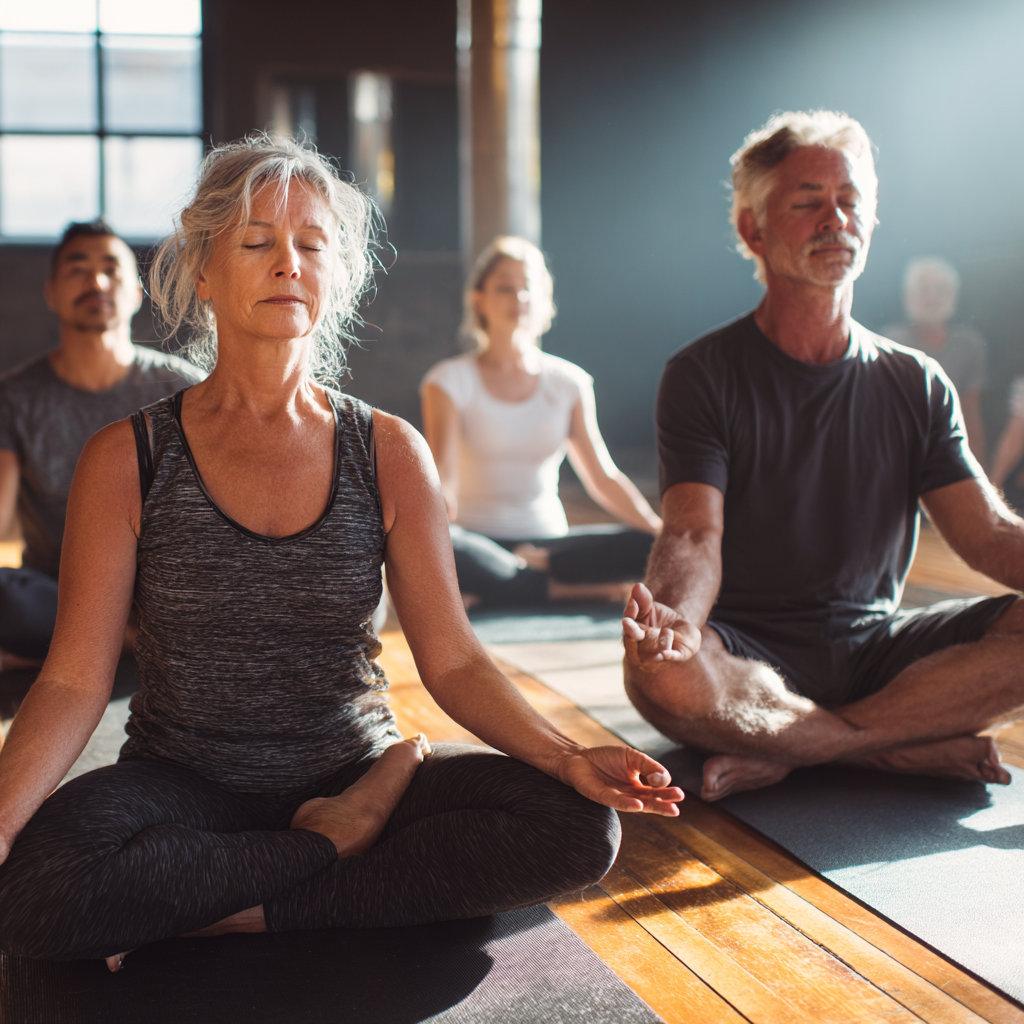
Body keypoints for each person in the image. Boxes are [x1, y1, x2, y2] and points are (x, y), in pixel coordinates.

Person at [0, 137, 683, 969]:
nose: (287, 262)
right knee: (35, 884)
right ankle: (332, 851)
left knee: (578, 827)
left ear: (339, 274)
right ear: (204, 272)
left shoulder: (388, 450)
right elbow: (74, 679)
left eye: (312, 245)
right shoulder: (128, 456)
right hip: (185, 787)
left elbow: (455, 660)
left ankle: (237, 905)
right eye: (256, 242)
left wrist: (570, 758)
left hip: (352, 762)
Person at [622, 110, 1024, 802]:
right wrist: (680, 624)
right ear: (753, 229)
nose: (835, 220)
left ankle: (811, 747)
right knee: (657, 676)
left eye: (850, 203)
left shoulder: (917, 381)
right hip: (745, 652)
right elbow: (692, 531)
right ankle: (885, 745)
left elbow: (984, 535)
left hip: (880, 652)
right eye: (809, 203)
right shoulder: (703, 372)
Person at [0, 220, 202, 673]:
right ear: (51, 293)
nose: (95, 281)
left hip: (167, 592)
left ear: (134, 293)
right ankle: (132, 643)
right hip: (58, 597)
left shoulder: (186, 388)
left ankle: (82, 648)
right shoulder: (14, 396)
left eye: (111, 269)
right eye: (78, 269)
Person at [421, 237, 662, 608]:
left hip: (550, 543)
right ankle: (571, 590)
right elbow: (444, 479)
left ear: (545, 300)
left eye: (528, 287)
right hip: (476, 540)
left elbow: (602, 477)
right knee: (436, 548)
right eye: (505, 287)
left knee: (649, 544)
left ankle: (510, 583)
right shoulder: (448, 381)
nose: (518, 298)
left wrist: (657, 529)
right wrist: (432, 526)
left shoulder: (570, 383)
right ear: (479, 298)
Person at [883, 258, 987, 462]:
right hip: (898, 451)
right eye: (924, 289)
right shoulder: (889, 342)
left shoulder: (970, 345)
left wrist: (982, 477)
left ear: (954, 296)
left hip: (949, 451)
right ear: (907, 297)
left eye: (941, 289)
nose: (932, 297)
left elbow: (970, 413)